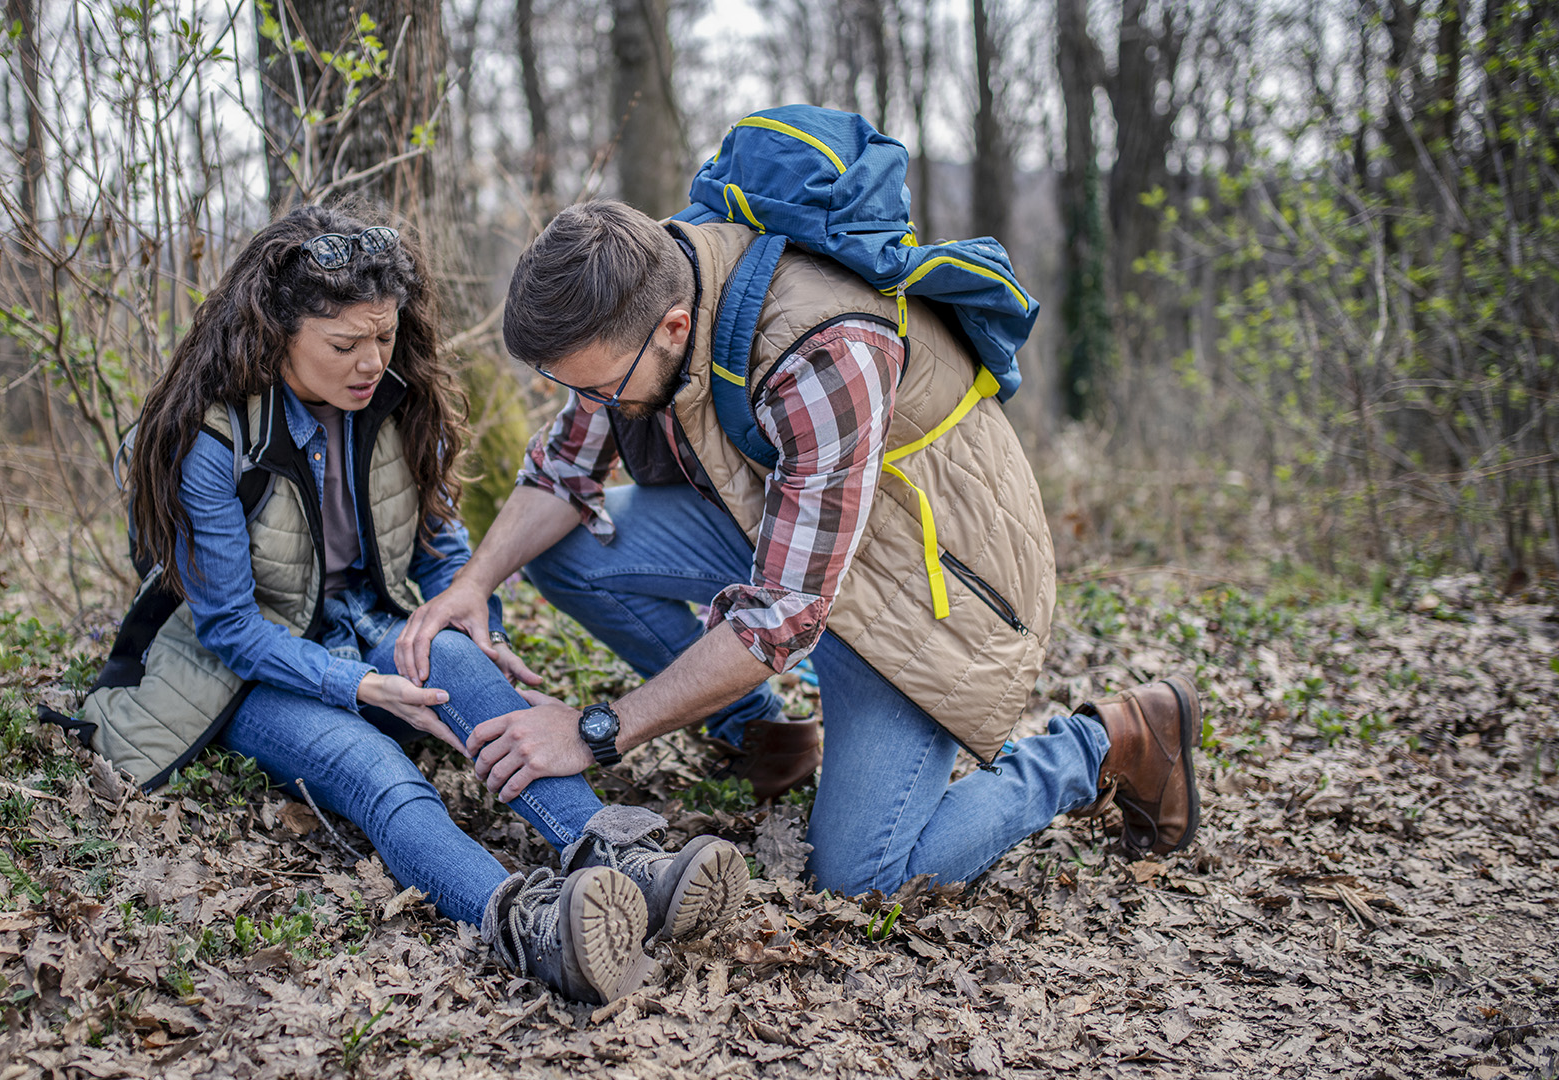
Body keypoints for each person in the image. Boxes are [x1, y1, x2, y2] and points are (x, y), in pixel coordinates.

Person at [397, 200, 1200, 895]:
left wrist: (596, 731)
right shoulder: (640, 299)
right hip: (795, 537)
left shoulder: (824, 348)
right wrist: (470, 584)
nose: (590, 406)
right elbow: (563, 470)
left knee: (864, 876)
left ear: (675, 329)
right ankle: (762, 734)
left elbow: (779, 619)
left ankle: (1109, 740)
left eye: (601, 388)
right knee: (569, 547)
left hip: (926, 589)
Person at [78, 203, 747, 1003]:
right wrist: (357, 686)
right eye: (344, 345)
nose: (370, 362)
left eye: (384, 337)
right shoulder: (210, 441)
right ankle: (529, 926)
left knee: (460, 658)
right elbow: (229, 630)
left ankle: (623, 860)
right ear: (275, 332)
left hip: (374, 619)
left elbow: (440, 548)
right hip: (253, 675)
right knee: (377, 771)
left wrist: (478, 625)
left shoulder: (399, 400)